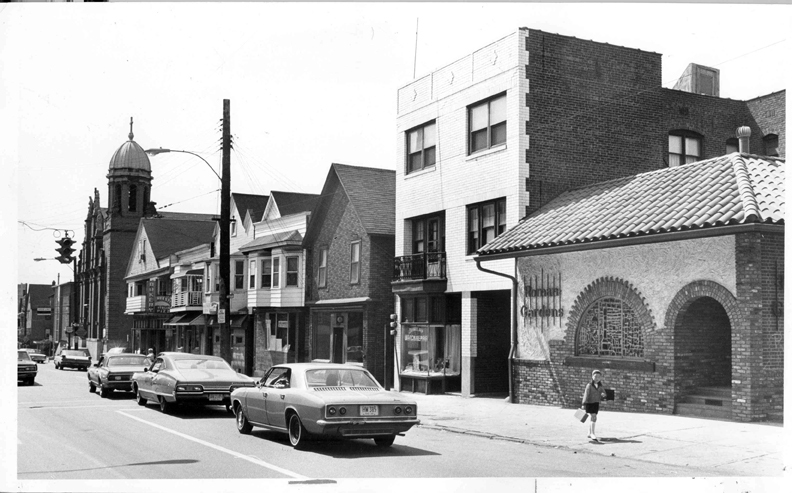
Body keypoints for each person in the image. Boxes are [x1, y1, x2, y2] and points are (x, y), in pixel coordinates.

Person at [581, 369, 607, 441]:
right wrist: (583, 404)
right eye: (595, 376)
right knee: (594, 416)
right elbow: (586, 395)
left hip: (596, 403)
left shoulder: (600, 386)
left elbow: (604, 394)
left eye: (599, 377)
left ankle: (589, 433)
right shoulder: (589, 385)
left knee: (593, 417)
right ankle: (593, 433)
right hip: (590, 403)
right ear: (592, 377)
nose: (597, 378)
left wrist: (603, 395)